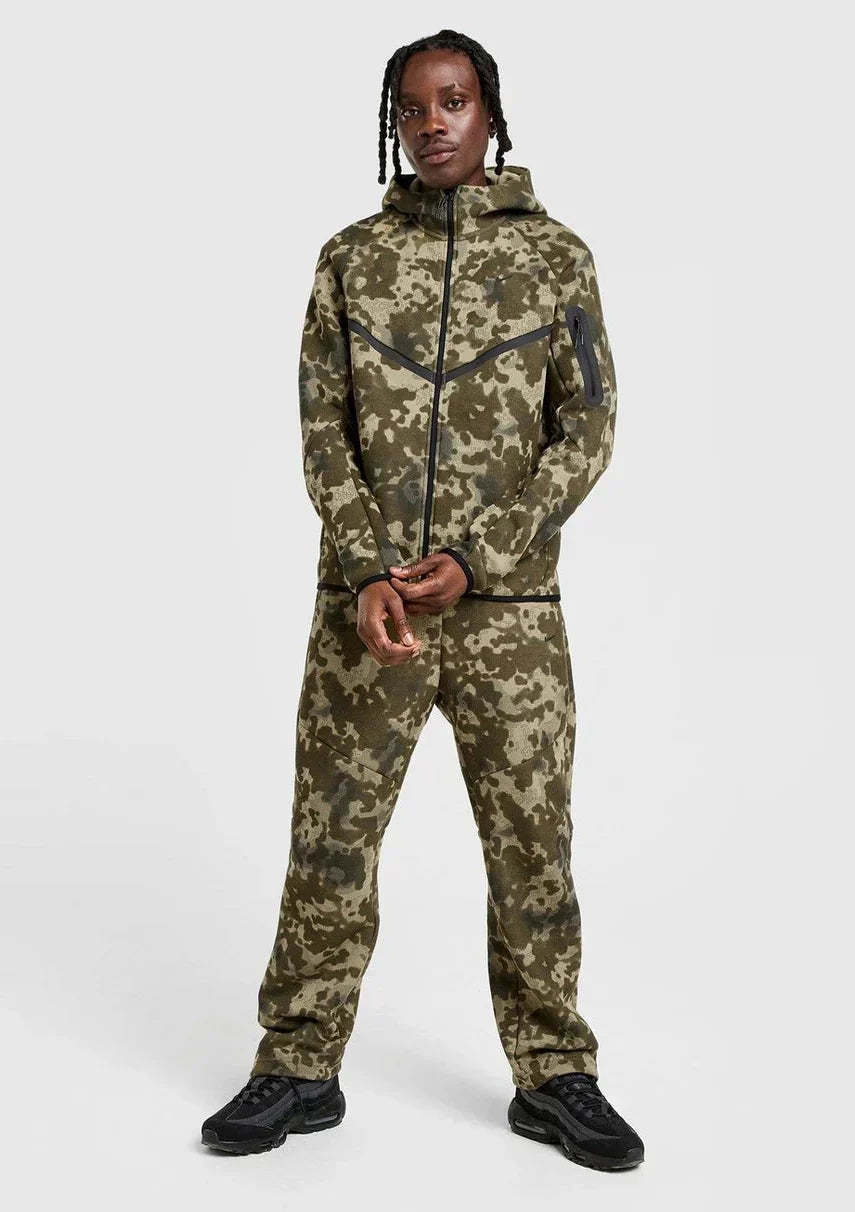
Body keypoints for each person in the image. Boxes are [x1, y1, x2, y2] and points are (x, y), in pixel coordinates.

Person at [201, 28, 644, 1172]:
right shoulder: (351, 260)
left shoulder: (556, 259)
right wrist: (365, 569)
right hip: (370, 612)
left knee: (533, 848)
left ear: (491, 112)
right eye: (411, 107)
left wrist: (482, 557)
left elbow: (587, 428)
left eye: (453, 101)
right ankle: (298, 1067)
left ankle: (555, 1074)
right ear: (393, 122)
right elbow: (323, 429)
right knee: (330, 843)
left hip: (510, 618)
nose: (431, 123)